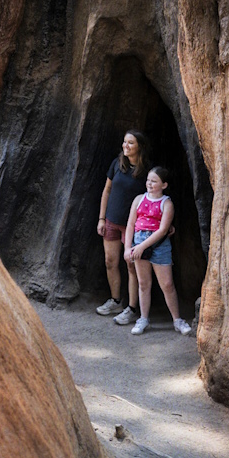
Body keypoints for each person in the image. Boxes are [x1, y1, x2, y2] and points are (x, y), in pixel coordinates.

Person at [123, 166, 192, 336]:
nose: (150, 184)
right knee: (144, 283)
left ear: (164, 185)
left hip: (158, 245)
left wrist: (141, 247)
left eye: (154, 181)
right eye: (148, 180)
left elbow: (163, 230)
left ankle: (177, 320)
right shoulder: (139, 199)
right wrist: (128, 248)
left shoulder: (166, 203)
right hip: (138, 242)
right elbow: (131, 224)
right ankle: (143, 318)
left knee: (167, 284)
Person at [95, 130, 148, 324]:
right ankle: (116, 301)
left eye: (131, 143)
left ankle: (132, 308)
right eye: (124, 142)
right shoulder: (117, 164)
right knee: (110, 261)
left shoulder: (146, 171)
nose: (126, 146)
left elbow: (152, 199)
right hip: (111, 220)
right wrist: (102, 218)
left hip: (132, 226)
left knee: (132, 266)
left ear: (140, 146)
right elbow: (107, 190)